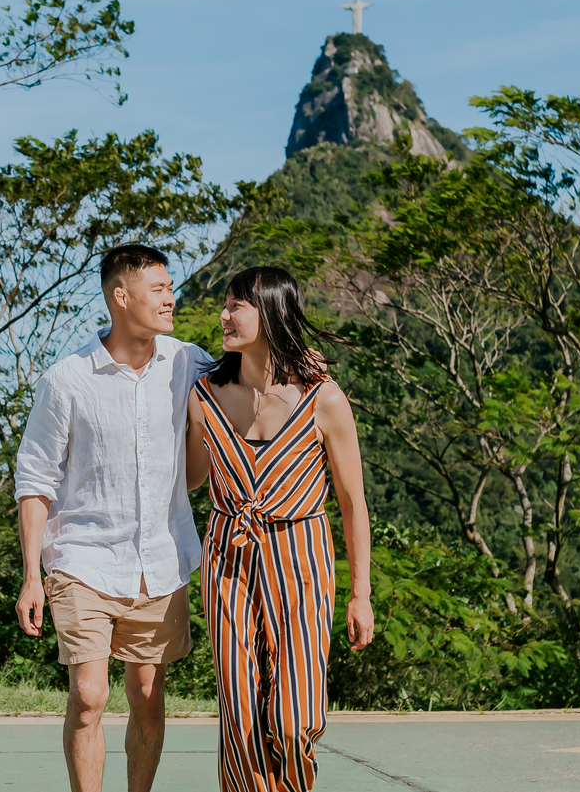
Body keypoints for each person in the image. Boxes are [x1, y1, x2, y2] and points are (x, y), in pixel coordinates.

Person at [14, 243, 210, 792]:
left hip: (161, 559)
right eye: (160, 289)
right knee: (90, 697)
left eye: (171, 288)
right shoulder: (68, 379)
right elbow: (34, 481)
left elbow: (256, 383)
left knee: (148, 697)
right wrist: (33, 575)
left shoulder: (188, 362)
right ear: (121, 297)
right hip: (83, 559)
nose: (172, 298)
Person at [185, 266, 375, 792]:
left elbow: (352, 503)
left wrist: (360, 596)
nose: (223, 315)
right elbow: (188, 479)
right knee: (240, 717)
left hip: (302, 557)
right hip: (228, 559)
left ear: (272, 311)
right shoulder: (204, 396)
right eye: (224, 304)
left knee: (295, 719)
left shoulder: (324, 398)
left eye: (236, 305)